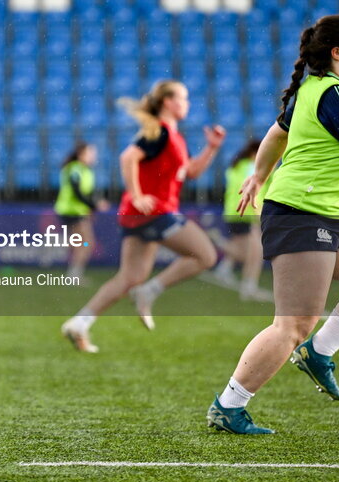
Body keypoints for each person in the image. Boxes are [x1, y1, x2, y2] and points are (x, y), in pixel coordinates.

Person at [208, 14, 339, 435]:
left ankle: (318, 353)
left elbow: (275, 134)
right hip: (303, 216)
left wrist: (258, 175)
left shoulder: (316, 90)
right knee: (292, 325)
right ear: (337, 53)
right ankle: (228, 406)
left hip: (333, 217)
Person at [61, 80, 225, 353]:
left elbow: (192, 172)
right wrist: (137, 194)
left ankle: (80, 322)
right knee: (205, 255)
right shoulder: (158, 131)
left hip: (138, 215)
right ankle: (149, 292)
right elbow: (128, 158)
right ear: (167, 103)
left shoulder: (173, 136)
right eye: (183, 98)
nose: (187, 104)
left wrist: (212, 148)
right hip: (154, 211)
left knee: (130, 277)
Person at [211, 139, 271, 301]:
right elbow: (252, 190)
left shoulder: (238, 165)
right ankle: (249, 286)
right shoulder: (252, 166)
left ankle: (224, 268)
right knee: (255, 252)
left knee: (245, 249)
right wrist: (258, 210)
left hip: (234, 212)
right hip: (247, 211)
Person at [54, 141, 109, 281]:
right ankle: (74, 275)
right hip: (72, 212)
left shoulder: (82, 170)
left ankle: (73, 273)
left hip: (76, 211)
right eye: (90, 153)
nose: (93, 156)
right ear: (81, 154)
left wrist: (91, 206)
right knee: (86, 243)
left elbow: (86, 192)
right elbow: (77, 192)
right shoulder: (75, 169)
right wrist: (95, 205)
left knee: (78, 243)